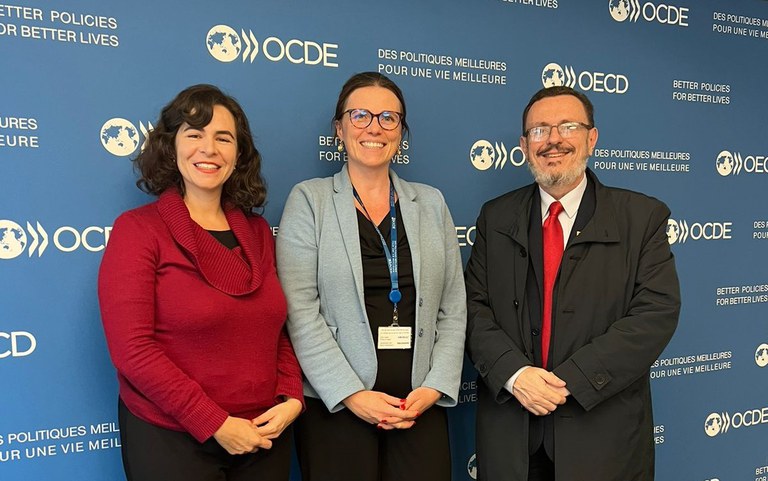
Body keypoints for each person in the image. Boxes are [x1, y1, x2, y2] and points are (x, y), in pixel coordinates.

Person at [465, 85, 680, 481]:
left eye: (568, 126)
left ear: (591, 138)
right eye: (539, 130)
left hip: (601, 435)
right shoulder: (496, 217)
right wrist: (516, 375)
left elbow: (654, 315)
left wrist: (569, 382)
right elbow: (472, 310)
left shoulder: (642, 217)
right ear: (524, 145)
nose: (553, 140)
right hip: (512, 433)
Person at [98, 84, 304, 481]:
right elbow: (133, 350)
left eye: (222, 138)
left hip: (263, 433)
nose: (208, 148)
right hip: (172, 437)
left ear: (238, 154)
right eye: (194, 134)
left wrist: (292, 394)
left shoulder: (258, 232)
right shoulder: (139, 231)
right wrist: (214, 422)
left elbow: (274, 328)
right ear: (171, 148)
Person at [276, 71, 466, 481]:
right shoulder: (311, 200)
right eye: (360, 115)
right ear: (339, 129)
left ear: (401, 131)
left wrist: (434, 388)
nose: (374, 127)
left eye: (388, 117)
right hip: (339, 410)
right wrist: (351, 394)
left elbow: (453, 308)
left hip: (419, 407)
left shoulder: (430, 203)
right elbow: (300, 311)